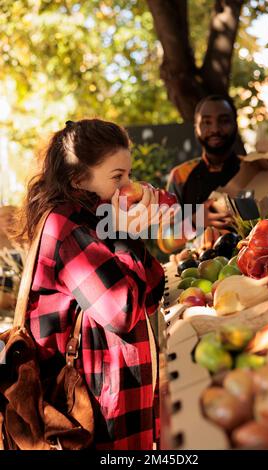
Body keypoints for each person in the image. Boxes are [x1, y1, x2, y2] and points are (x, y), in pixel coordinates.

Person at [16, 119, 165, 450]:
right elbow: (124, 310)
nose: (128, 185)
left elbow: (153, 290)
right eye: (117, 177)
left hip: (120, 400)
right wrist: (125, 233)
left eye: (128, 174)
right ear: (78, 178)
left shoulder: (98, 219)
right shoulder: (66, 225)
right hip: (95, 412)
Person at [166, 94, 268, 231]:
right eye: (207, 122)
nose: (215, 130)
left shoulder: (256, 170)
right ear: (196, 127)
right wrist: (194, 221)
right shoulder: (180, 176)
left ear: (235, 124)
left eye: (224, 121)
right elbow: (163, 238)